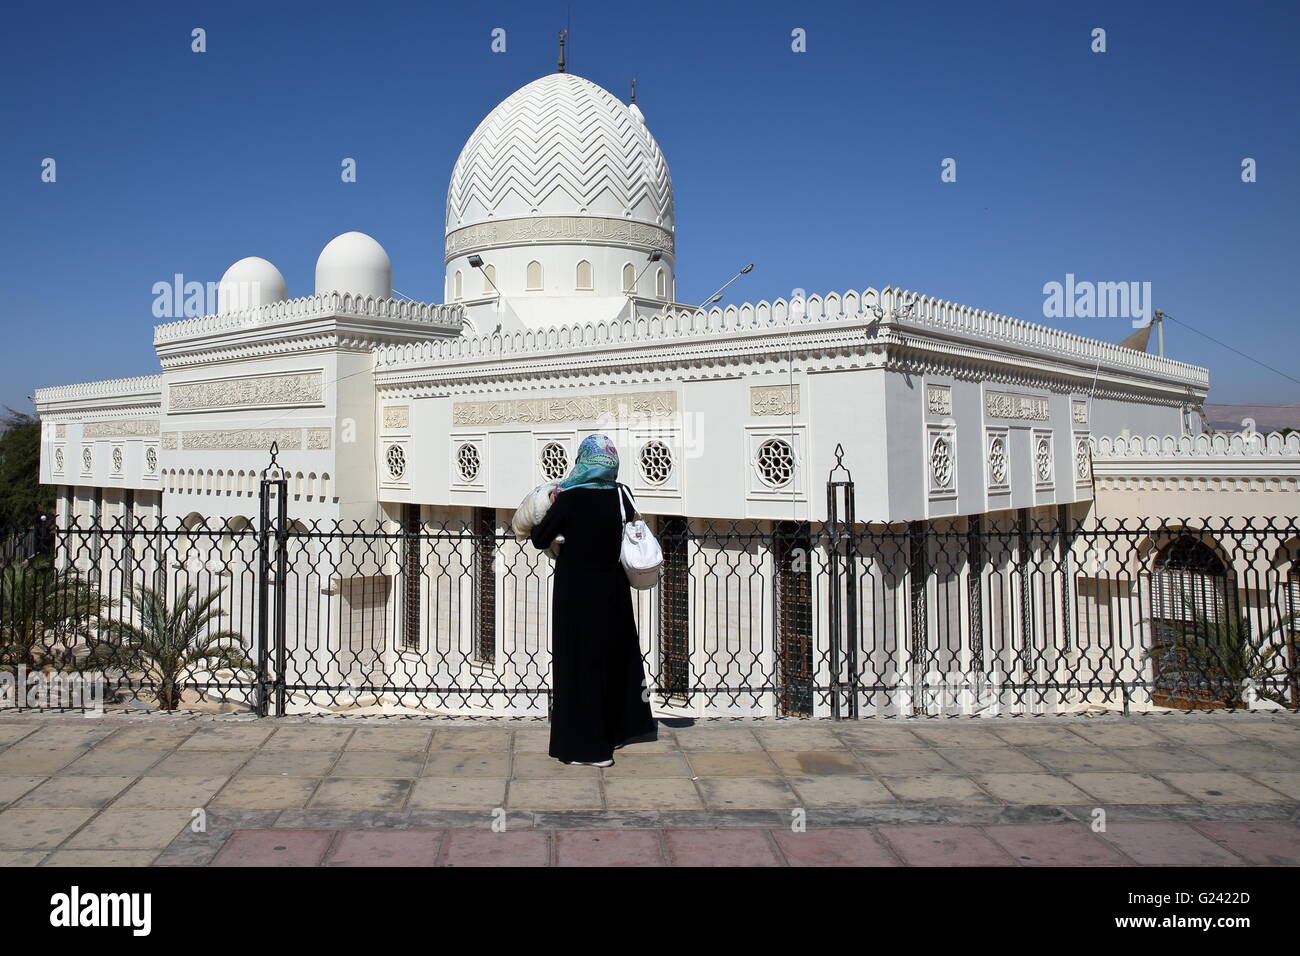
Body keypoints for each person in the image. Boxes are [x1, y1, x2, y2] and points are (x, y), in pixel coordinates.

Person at [529, 434, 657, 766]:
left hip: (576, 592)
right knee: (610, 660)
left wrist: (553, 506)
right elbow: (630, 529)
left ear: (582, 460)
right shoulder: (621, 495)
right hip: (613, 590)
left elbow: (538, 538)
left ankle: (588, 748)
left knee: (578, 666)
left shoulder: (569, 499)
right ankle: (616, 733)